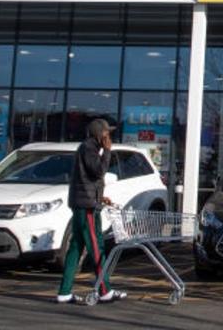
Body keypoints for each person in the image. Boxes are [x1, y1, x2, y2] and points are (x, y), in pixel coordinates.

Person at [56, 118, 127, 304]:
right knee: (96, 246)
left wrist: (100, 196)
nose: (108, 136)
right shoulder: (89, 148)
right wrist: (108, 151)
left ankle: (64, 292)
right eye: (106, 132)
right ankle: (104, 290)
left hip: (85, 202)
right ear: (98, 133)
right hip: (86, 207)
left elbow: (87, 179)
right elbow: (98, 171)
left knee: (76, 248)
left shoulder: (89, 148)